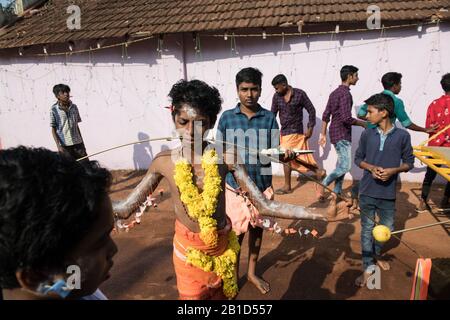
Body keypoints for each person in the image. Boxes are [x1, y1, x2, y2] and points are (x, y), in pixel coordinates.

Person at [113, 79, 326, 300]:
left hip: (223, 246)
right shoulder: (164, 161)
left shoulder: (226, 156)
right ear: (173, 117)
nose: (190, 131)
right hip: (188, 253)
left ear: (212, 122)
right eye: (183, 121)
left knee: (226, 298)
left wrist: (321, 214)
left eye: (200, 123)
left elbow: (264, 205)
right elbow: (125, 208)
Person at [0, 146, 117, 300]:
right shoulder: (73, 286)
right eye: (99, 242)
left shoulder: (73, 288)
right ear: (38, 278)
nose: (114, 249)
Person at [354, 93, 414, 287]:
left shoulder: (403, 136)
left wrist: (394, 170)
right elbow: (358, 159)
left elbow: (409, 163)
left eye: (370, 111)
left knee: (387, 229)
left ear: (384, 113)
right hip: (367, 191)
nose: (367, 115)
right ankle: (368, 268)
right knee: (367, 231)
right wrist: (371, 168)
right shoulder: (367, 134)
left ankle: (376, 254)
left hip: (388, 194)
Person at [271, 74, 326, 197]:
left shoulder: (300, 94)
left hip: (297, 132)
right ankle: (318, 171)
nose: (276, 91)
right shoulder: (276, 97)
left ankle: (288, 186)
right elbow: (272, 114)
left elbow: (311, 110)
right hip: (284, 132)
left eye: (277, 88)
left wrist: (310, 127)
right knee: (293, 157)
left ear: (284, 85)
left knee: (287, 158)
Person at [319, 65, 367, 198]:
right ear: (350, 76)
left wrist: (323, 133)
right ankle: (324, 183)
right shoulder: (346, 94)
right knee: (345, 166)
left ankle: (337, 192)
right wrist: (363, 123)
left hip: (334, 132)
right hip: (342, 133)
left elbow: (325, 115)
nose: (358, 78)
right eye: (356, 75)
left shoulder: (334, 93)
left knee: (341, 164)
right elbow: (346, 118)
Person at [357, 72, 439, 134]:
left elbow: (360, 114)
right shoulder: (396, 102)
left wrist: (372, 121)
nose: (401, 86)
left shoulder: (374, 98)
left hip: (368, 134)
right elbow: (406, 123)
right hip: (384, 136)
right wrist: (425, 130)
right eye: (400, 84)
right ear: (394, 86)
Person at [418, 73, 450, 212]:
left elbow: (429, 125)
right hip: (449, 146)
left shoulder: (434, 103)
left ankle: (422, 200)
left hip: (435, 144)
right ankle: (445, 200)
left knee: (430, 173)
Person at [50, 84, 89, 162]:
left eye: (67, 91)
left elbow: (76, 126)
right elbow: (53, 129)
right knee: (70, 169)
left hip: (78, 144)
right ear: (57, 96)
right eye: (63, 92)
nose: (66, 94)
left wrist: (82, 143)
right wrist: (58, 146)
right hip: (65, 146)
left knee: (86, 166)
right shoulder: (54, 110)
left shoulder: (74, 107)